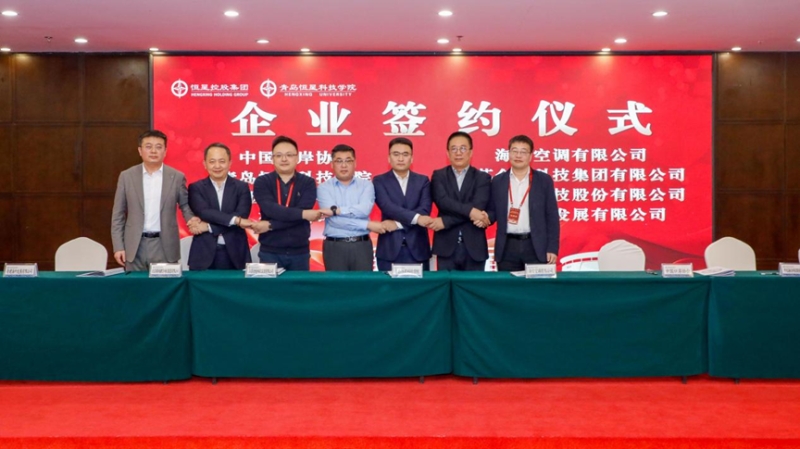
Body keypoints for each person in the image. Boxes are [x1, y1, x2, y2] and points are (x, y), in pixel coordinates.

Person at [111, 129, 195, 271]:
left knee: (165, 285)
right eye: (148, 147)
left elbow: (185, 206)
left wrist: (192, 221)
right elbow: (118, 214)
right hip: (134, 247)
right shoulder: (127, 176)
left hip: (165, 246)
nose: (153, 151)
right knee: (135, 285)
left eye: (158, 147)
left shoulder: (176, 177)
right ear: (140, 150)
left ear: (165, 151)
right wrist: (118, 246)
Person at [488, 134, 560, 270]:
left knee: (537, 284)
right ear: (509, 154)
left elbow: (552, 217)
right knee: (508, 284)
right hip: (507, 247)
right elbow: (492, 211)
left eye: (523, 152)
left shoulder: (544, 181)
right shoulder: (498, 181)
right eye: (514, 151)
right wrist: (482, 217)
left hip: (536, 246)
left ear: (531, 156)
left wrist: (552, 248)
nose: (518, 155)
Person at [251, 136, 321, 271]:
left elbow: (298, 218)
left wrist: (270, 225)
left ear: (297, 158)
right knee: (270, 286)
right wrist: (303, 214)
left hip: (299, 253)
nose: (284, 159)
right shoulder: (262, 182)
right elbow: (271, 210)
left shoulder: (308, 183)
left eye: (289, 155)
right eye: (279, 155)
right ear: (272, 159)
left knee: (299, 286)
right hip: (269, 251)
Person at [429, 131, 491, 271]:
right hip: (445, 246)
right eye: (454, 149)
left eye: (463, 148)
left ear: (471, 152)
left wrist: (446, 221)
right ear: (447, 153)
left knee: (473, 285)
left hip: (474, 248)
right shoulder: (438, 176)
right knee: (445, 286)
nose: (458, 153)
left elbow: (478, 206)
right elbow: (443, 202)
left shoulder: (483, 178)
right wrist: (470, 212)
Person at [317, 144, 385, 271]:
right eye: (339, 161)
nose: (344, 165)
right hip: (334, 246)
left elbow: (364, 210)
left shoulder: (366, 185)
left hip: (361, 246)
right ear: (332, 164)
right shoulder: (323, 188)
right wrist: (366, 225)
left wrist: (338, 210)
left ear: (355, 163)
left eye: (348, 161)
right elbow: (335, 220)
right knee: (336, 283)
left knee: (363, 283)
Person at [186, 143, 253, 270]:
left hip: (236, 253)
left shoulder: (241, 187)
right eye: (212, 161)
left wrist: (208, 227)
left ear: (230, 163)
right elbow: (204, 212)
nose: (217, 166)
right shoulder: (196, 188)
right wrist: (236, 221)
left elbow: (242, 215)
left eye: (222, 161)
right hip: (203, 254)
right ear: (205, 164)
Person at [373, 137, 433, 271]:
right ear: (389, 158)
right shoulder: (379, 181)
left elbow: (424, 210)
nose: (401, 159)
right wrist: (416, 219)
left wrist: (397, 224)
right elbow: (387, 207)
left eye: (405, 154)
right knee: (388, 285)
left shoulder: (423, 181)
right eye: (396, 154)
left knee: (421, 285)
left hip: (418, 249)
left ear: (412, 158)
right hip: (389, 250)